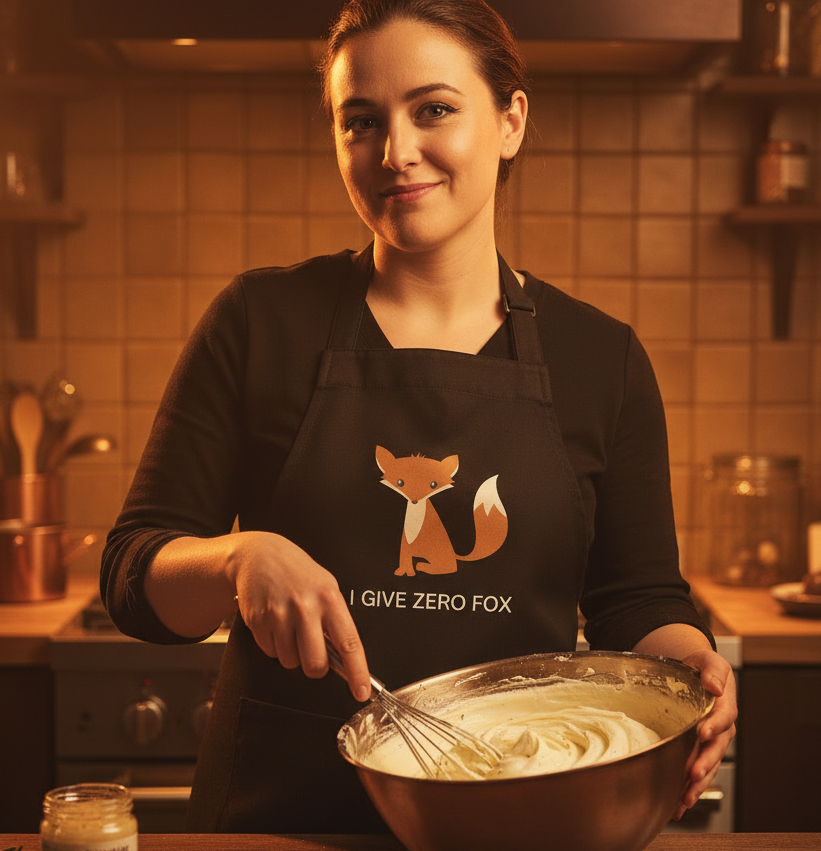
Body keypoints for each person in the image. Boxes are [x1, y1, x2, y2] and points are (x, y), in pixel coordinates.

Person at [101, 0, 737, 834]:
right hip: (280, 818)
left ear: (509, 121)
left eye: (433, 109)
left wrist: (693, 668)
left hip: (519, 816)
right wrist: (236, 560)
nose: (394, 152)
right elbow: (132, 579)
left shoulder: (600, 357)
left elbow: (635, 602)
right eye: (358, 121)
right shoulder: (260, 320)